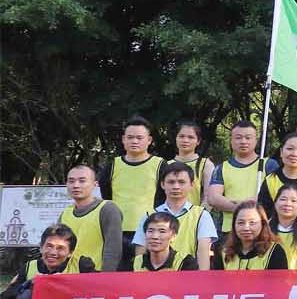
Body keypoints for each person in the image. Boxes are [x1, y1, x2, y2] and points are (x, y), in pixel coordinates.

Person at [2, 224, 95, 299]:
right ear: (41, 248)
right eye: (49, 246)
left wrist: (67, 283)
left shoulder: (82, 265)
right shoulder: (29, 267)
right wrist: (29, 285)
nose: (53, 252)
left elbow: (102, 289)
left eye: (60, 248)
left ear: (70, 253)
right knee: (25, 296)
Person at [131, 160, 218, 269]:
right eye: (171, 182)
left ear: (191, 185)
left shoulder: (202, 216)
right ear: (162, 184)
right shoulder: (149, 215)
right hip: (153, 275)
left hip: (188, 273)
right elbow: (140, 254)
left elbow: (203, 252)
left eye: (181, 182)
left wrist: (202, 278)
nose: (176, 186)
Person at [98, 116, 163, 251]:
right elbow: (106, 196)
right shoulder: (112, 165)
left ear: (149, 140)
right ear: (123, 139)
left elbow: (164, 197)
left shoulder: (160, 165)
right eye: (130, 137)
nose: (134, 141)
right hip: (116, 231)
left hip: (149, 231)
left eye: (139, 138)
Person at [207, 120, 265, 244]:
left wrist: (236, 206)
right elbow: (213, 198)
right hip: (228, 230)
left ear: (256, 140)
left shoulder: (268, 165)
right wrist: (244, 208)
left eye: (248, 137)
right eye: (238, 137)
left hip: (260, 229)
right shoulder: (222, 168)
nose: (243, 141)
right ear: (231, 141)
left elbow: (271, 196)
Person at [59, 163, 123, 271]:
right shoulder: (66, 212)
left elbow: (113, 249)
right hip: (67, 276)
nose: (76, 185)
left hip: (94, 276)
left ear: (95, 184)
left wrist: (106, 277)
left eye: (82, 181)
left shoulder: (107, 209)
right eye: (71, 181)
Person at [214, 201, 288, 271]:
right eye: (241, 223)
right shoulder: (223, 251)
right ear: (234, 225)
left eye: (252, 223)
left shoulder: (275, 252)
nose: (246, 228)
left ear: (263, 224)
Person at [132, 211, 198, 271]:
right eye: (150, 231)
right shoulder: (135, 263)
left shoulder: (186, 262)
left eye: (162, 231)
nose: (155, 236)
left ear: (173, 236)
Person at [170, 119, 215, 204]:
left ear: (198, 141)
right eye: (181, 136)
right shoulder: (166, 164)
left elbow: (208, 197)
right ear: (176, 138)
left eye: (190, 137)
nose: (185, 140)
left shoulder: (205, 164)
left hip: (195, 212)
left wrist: (200, 212)